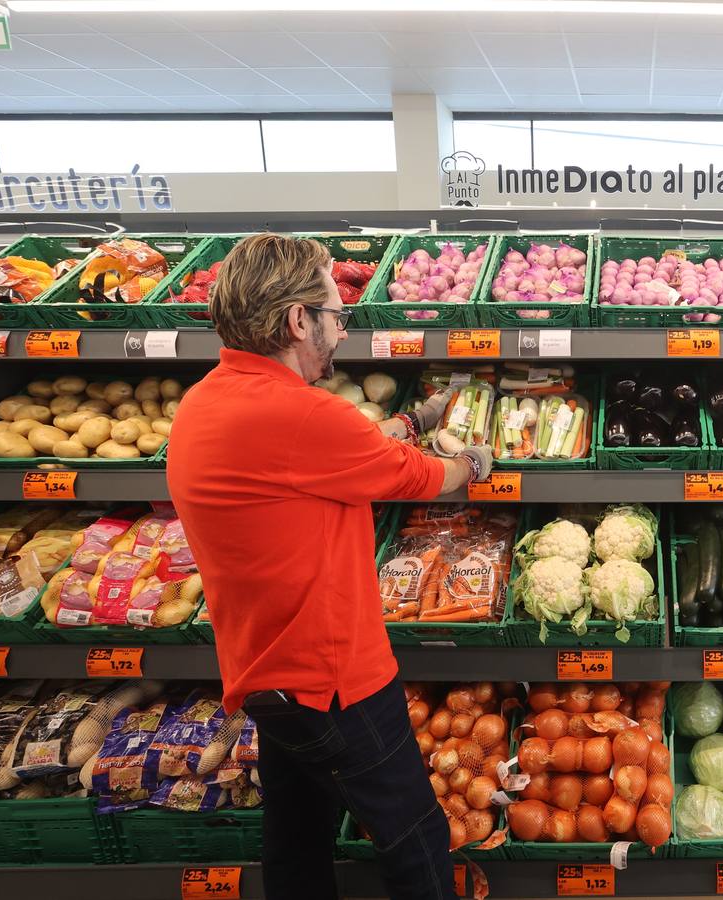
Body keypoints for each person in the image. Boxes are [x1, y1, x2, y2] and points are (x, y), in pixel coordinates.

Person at [166, 233, 492, 900]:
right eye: (337, 315)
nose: (341, 331)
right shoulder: (301, 415)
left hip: (263, 673)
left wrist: (405, 420)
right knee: (415, 838)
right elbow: (431, 477)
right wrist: (475, 463)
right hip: (331, 681)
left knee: (296, 836)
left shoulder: (206, 402)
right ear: (296, 320)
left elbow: (325, 454)